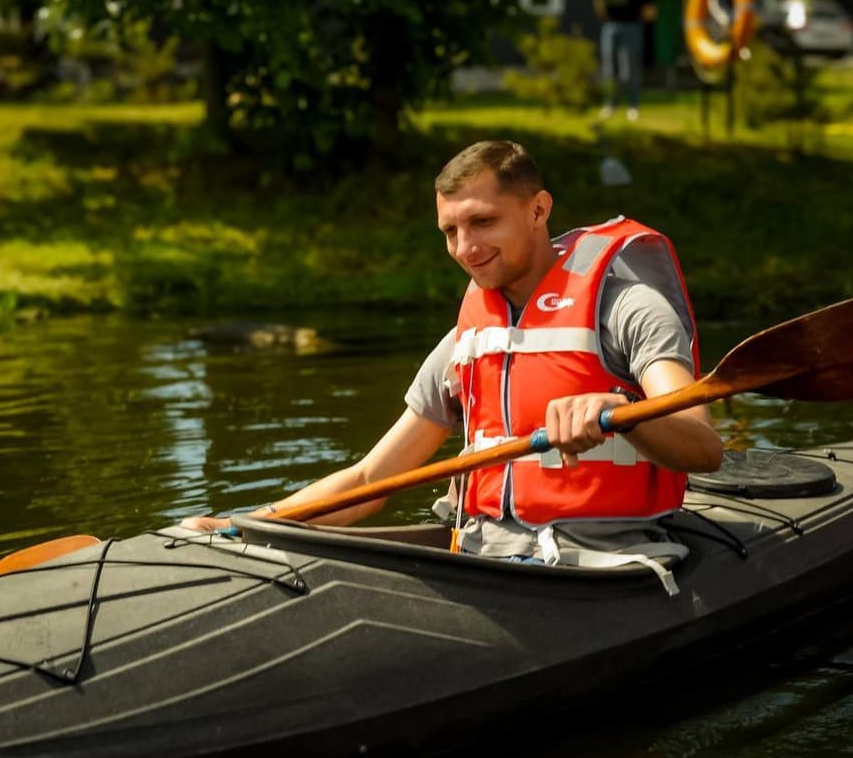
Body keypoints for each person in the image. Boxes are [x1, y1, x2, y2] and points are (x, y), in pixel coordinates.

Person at [182, 140, 722, 569]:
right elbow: (373, 478)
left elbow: (702, 446)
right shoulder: (467, 341)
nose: (464, 248)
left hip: (606, 560)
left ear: (538, 209)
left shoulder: (628, 308)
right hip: (487, 554)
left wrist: (619, 415)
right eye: (450, 231)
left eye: (482, 222)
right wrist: (250, 523)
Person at [594, 0, 655, 122]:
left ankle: (633, 105)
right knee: (609, 68)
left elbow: (649, 12)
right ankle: (609, 105)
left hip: (632, 27)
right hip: (611, 28)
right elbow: (601, 12)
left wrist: (641, 19)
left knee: (631, 68)